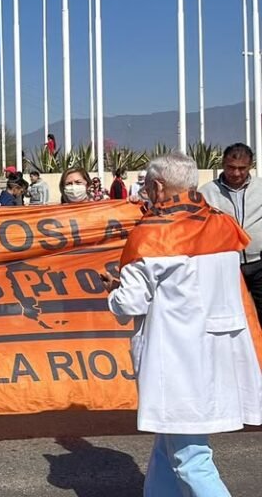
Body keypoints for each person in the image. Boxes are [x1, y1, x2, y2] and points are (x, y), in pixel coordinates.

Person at [105, 152, 262, 496]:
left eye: (147, 185)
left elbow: (130, 303)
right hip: (218, 347)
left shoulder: (149, 234)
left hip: (176, 357)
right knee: (169, 448)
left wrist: (113, 293)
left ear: (158, 186)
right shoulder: (223, 223)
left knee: (191, 460)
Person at [200, 143, 262, 318]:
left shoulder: (260, 188)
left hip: (258, 263)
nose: (236, 173)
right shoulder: (206, 193)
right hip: (225, 265)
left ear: (251, 166)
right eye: (231, 167)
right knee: (230, 316)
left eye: (242, 168)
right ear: (223, 164)